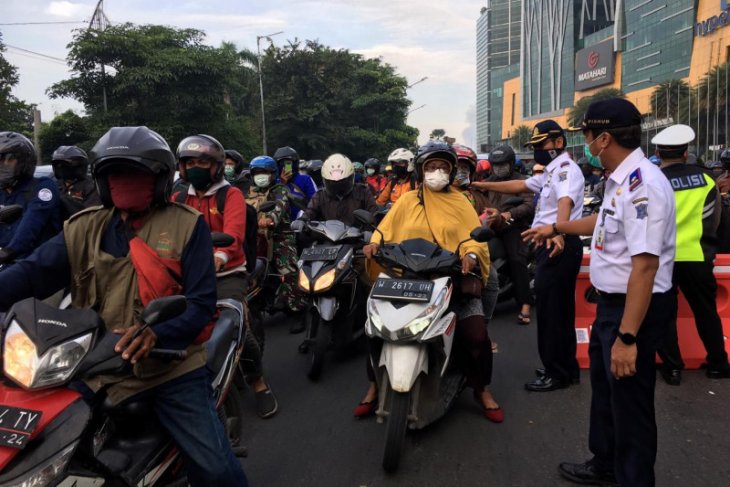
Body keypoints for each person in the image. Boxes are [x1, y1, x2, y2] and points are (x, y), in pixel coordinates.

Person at [0, 126, 248, 485]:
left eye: (135, 175)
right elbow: (30, 273)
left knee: (216, 470)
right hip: (92, 364)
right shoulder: (82, 228)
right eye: (115, 175)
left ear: (160, 179)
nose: (124, 183)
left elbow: (198, 304)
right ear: (102, 181)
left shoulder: (186, 226)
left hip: (167, 369)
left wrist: (155, 333)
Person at [525, 98, 676, 487]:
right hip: (612, 305)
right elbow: (602, 220)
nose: (585, 144)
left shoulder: (643, 185)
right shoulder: (619, 180)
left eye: (588, 136)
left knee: (630, 404)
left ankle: (633, 478)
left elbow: (645, 267)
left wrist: (627, 337)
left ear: (604, 138)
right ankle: (605, 463)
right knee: (607, 393)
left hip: (634, 311)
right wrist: (557, 229)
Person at [356, 141, 503, 423]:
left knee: (475, 335)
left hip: (450, 277)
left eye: (443, 167)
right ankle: (374, 384)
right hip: (407, 278)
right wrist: (374, 244)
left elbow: (474, 238)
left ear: (450, 172)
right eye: (431, 167)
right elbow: (385, 230)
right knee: (375, 328)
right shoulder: (407, 200)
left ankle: (481, 388)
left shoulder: (460, 201)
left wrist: (470, 254)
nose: (437, 172)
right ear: (421, 170)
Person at [471, 120, 584, 391]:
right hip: (554, 243)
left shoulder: (565, 171)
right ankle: (565, 368)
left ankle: (556, 373)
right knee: (559, 312)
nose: (537, 151)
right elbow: (518, 187)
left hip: (557, 244)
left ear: (558, 143)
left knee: (551, 314)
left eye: (540, 145)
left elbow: (565, 202)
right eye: (534, 146)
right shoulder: (550, 172)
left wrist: (558, 231)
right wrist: (480, 184)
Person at [172, 135, 278, 418]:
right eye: (190, 162)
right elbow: (168, 234)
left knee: (235, 324)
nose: (195, 167)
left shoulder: (230, 194)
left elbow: (233, 235)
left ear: (216, 166)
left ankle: (258, 382)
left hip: (228, 271)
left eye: (202, 162)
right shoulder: (179, 196)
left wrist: (218, 258)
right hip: (189, 273)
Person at [651, 124, 730, 385]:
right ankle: (718, 363)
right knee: (706, 311)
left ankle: (673, 368)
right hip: (697, 256)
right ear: (686, 153)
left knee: (665, 313)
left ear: (658, 153)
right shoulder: (707, 179)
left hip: (662, 260)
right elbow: (716, 219)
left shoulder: (653, 180)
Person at [475, 145, 535, 325]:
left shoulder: (522, 181)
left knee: (517, 259)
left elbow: (528, 205)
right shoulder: (487, 181)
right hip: (490, 226)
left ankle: (525, 303)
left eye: (503, 164)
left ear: (510, 164)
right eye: (496, 164)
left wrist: (509, 214)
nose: (499, 168)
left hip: (513, 226)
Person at [248, 155, 308, 331]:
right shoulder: (247, 191)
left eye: (265, 172)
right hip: (253, 237)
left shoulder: (280, 189)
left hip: (279, 236)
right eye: (257, 172)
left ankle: (299, 311)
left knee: (288, 271)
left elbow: (279, 207)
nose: (261, 176)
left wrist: (269, 219)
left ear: (272, 174)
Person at [450, 144, 501, 327]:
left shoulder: (475, 195)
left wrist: (495, 217)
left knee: (492, 279)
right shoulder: (434, 194)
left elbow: (491, 217)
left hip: (472, 247)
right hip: (441, 249)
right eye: (457, 167)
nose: (460, 172)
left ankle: (483, 324)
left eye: (465, 168)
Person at [0, 131, 61, 264]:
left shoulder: (43, 187)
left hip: (38, 263)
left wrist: (7, 252)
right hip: (8, 263)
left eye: (9, 159)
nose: (3, 165)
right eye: (0, 160)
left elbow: (31, 226)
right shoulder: (2, 193)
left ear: (24, 162)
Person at [300, 154, 377, 225]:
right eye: (332, 183)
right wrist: (301, 221)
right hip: (326, 237)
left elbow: (373, 213)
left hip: (357, 237)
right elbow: (310, 212)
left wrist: (369, 229)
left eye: (342, 182)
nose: (338, 186)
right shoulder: (320, 195)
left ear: (350, 178)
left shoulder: (363, 191)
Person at [51, 145, 102, 220]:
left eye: (64, 164)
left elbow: (90, 215)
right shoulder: (54, 185)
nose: (60, 167)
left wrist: (63, 200)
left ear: (79, 165)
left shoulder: (92, 186)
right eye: (57, 164)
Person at [273, 146, 317, 220]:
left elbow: (315, 202)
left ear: (295, 163)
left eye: (288, 163)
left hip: (302, 224)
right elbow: (272, 202)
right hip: (280, 225)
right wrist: (282, 184)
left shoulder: (305, 179)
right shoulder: (274, 182)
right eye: (282, 163)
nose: (285, 166)